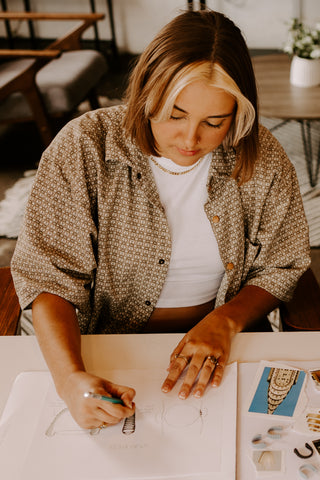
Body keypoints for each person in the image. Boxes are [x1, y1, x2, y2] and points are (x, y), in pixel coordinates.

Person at [11, 9, 310, 430]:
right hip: (109, 348)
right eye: (175, 115)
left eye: (214, 122)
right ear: (147, 92)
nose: (191, 140)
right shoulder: (84, 147)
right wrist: (69, 379)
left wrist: (225, 320)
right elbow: (49, 276)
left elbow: (283, 262)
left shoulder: (261, 155)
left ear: (238, 114)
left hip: (233, 341)